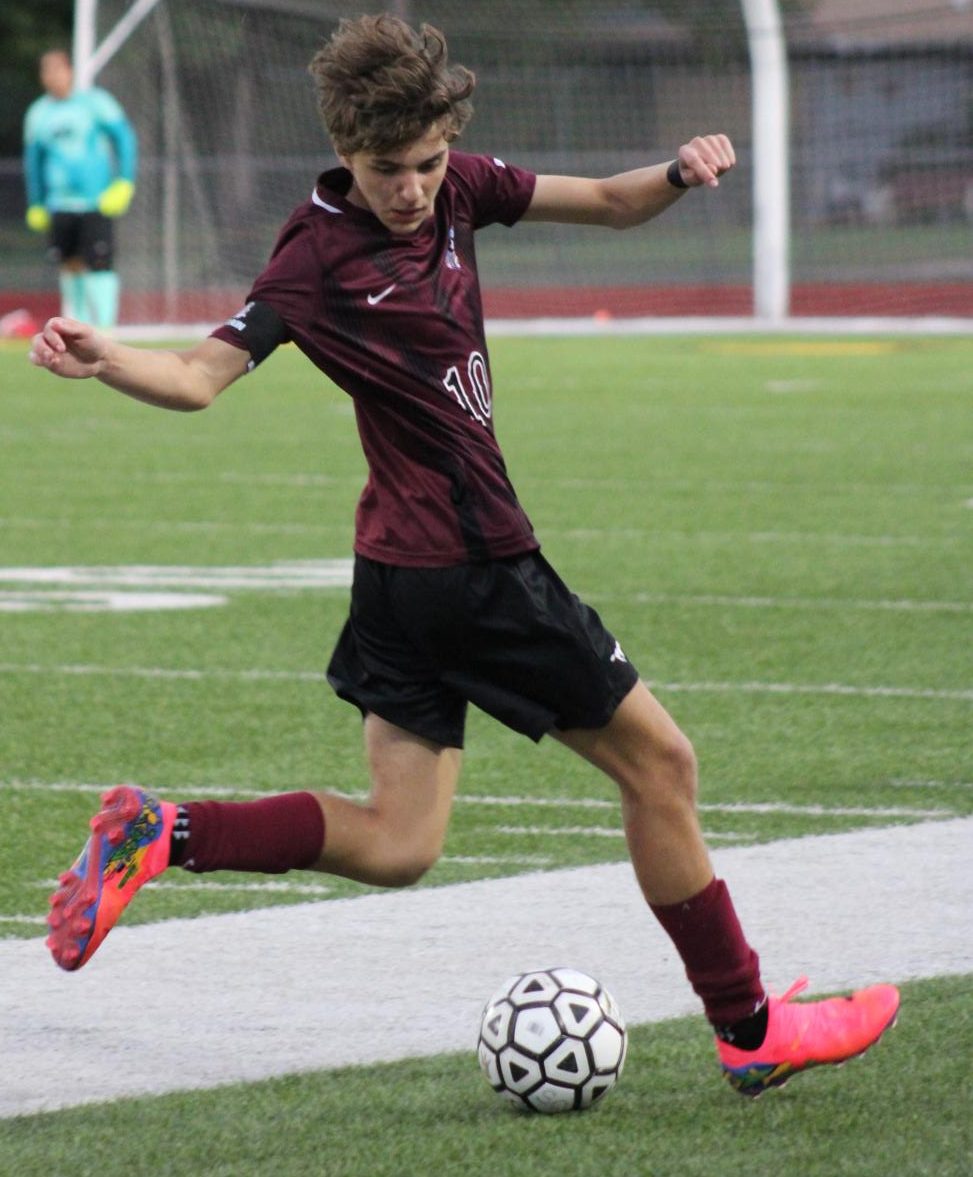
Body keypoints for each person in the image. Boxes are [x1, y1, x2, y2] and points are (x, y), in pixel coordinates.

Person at [30, 14, 898, 1097]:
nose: (412, 188)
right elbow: (202, 376)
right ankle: (749, 1021)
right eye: (388, 169)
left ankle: (163, 831)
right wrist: (108, 356)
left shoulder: (462, 189)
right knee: (661, 764)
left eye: (429, 163)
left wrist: (678, 170)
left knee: (398, 843)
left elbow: (615, 203)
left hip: (396, 575)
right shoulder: (314, 257)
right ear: (344, 151)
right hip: (474, 568)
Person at [23, 48, 137, 329]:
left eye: (57, 69)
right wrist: (36, 201)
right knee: (69, 263)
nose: (53, 77)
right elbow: (33, 162)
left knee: (99, 262)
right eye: (46, 71)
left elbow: (124, 138)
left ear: (69, 71)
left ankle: (107, 328)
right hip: (59, 204)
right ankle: (80, 325)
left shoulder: (95, 103)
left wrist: (124, 181)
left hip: (96, 202)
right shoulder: (38, 114)